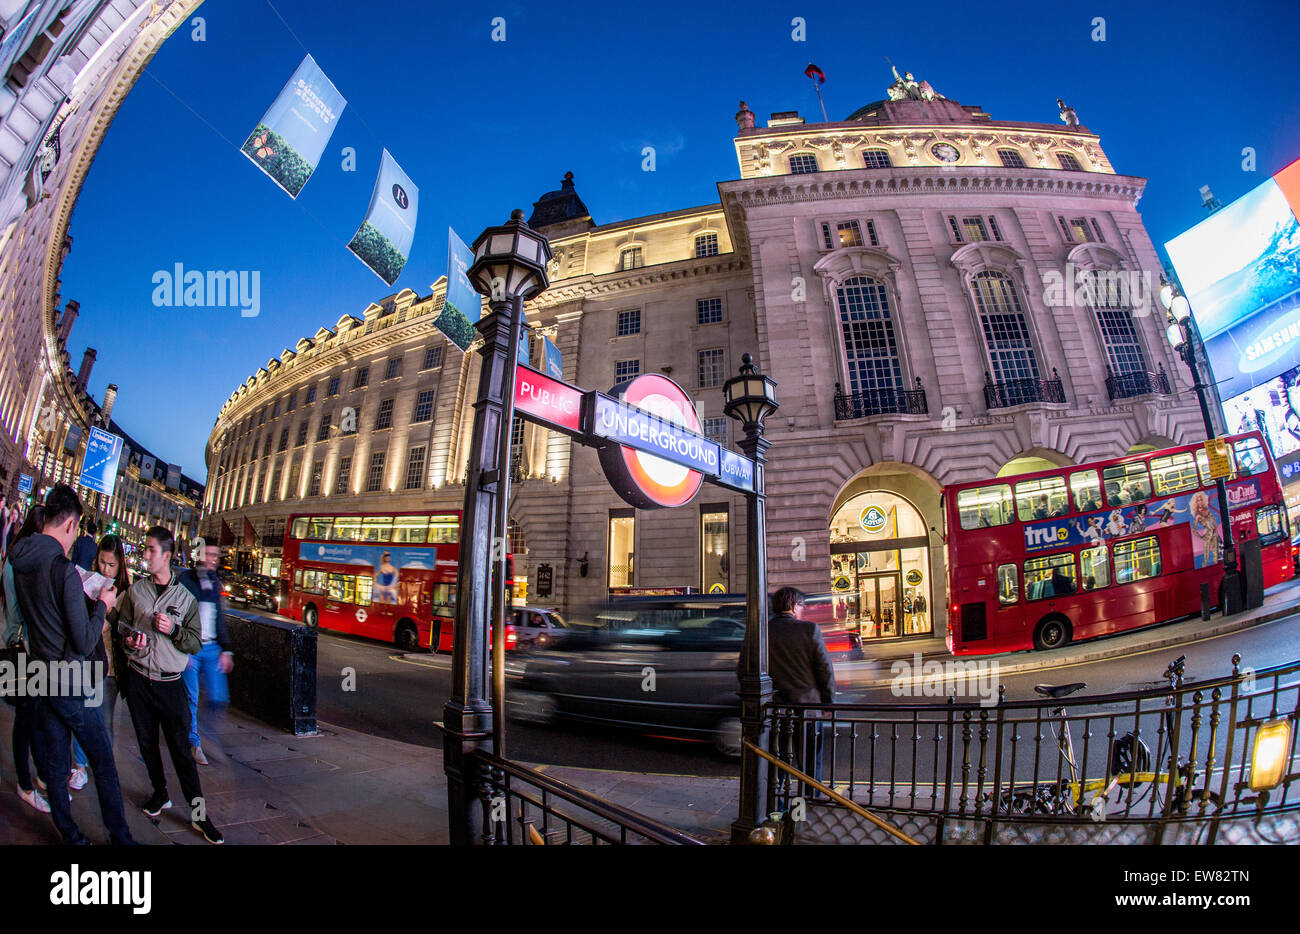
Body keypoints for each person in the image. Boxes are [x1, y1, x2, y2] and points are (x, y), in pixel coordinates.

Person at [8, 485, 135, 845]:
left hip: (39, 673)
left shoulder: (21, 558)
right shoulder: (61, 569)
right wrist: (103, 606)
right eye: (77, 529)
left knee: (55, 760)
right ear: (70, 525)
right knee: (102, 761)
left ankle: (70, 834)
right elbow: (82, 639)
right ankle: (120, 837)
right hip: (69, 678)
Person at [118, 525, 224, 844]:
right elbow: (122, 626)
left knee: (181, 752)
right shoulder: (137, 590)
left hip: (170, 684)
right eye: (145, 549)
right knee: (146, 743)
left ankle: (199, 814)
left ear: (166, 556)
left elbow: (194, 643)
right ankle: (160, 793)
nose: (146, 554)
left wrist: (175, 630)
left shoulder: (186, 598)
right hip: (139, 680)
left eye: (151, 550)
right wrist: (129, 641)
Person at [2, 505, 51, 814]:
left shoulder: (18, 557)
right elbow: (17, 609)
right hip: (17, 647)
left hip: (21, 647)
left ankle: (40, 777)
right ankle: (26, 784)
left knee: (30, 715)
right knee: (26, 717)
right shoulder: (19, 562)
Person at [763, 587, 835, 784]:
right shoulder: (809, 630)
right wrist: (829, 703)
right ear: (794, 607)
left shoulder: (762, 632)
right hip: (808, 709)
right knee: (811, 762)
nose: (803, 610)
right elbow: (825, 670)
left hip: (775, 710)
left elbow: (744, 669)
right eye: (802, 606)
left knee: (778, 761)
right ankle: (810, 799)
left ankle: (776, 802)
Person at [179, 543, 233, 766]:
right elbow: (178, 614)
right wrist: (182, 647)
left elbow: (219, 618)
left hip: (212, 648)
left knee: (219, 697)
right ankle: (195, 742)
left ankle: (202, 732)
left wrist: (226, 649)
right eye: (208, 554)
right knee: (191, 696)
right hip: (191, 646)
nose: (212, 559)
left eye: (215, 555)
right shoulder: (186, 580)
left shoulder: (215, 582)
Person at [90, 535, 131, 749]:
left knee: (104, 721)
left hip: (110, 667)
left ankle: (105, 770)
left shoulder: (126, 592)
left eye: (111, 564)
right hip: (87, 661)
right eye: (102, 562)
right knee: (85, 717)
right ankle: (79, 765)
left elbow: (126, 628)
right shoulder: (90, 581)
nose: (105, 569)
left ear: (120, 564)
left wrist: (109, 611)